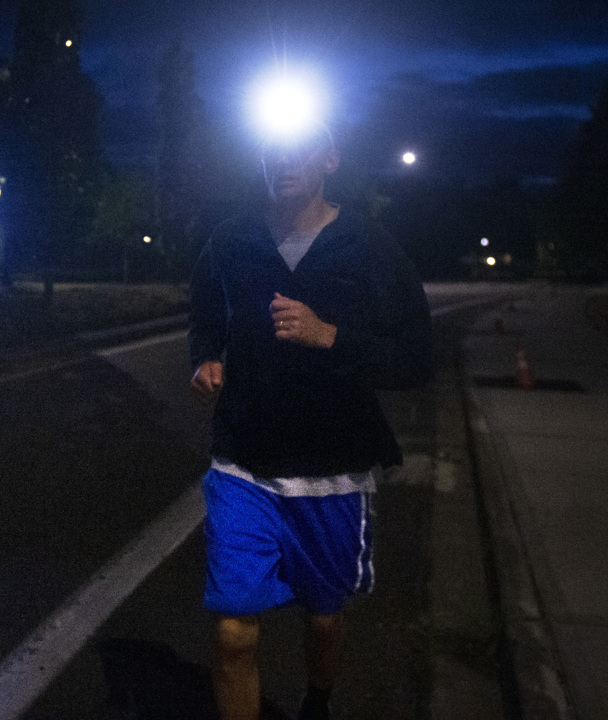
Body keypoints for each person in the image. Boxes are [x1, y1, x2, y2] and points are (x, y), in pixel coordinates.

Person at [188, 124, 432, 720]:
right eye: (273, 148)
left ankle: (316, 703)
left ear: (330, 159)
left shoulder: (367, 244)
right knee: (232, 633)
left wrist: (330, 337)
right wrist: (206, 355)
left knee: (324, 620)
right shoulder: (231, 239)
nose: (285, 159)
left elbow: (415, 357)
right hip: (244, 461)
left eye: (300, 147)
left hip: (334, 471)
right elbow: (205, 311)